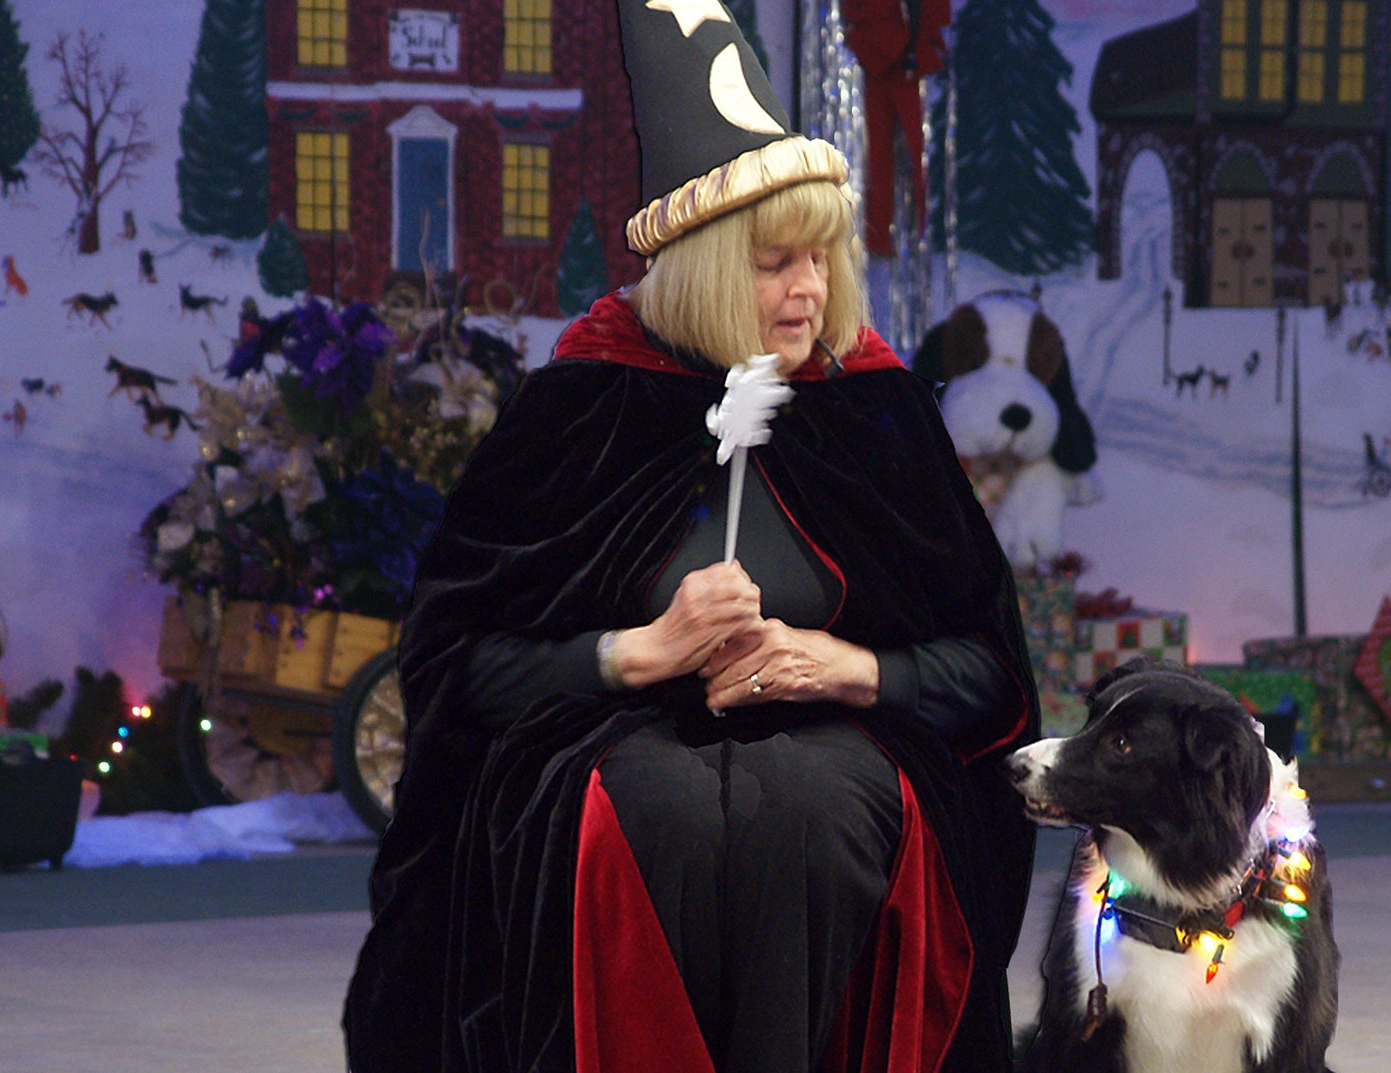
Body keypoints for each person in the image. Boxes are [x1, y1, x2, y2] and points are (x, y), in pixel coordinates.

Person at [342, 4, 1039, 1071]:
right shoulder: (585, 402)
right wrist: (631, 653)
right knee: (653, 811)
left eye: (820, 258)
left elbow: (988, 673)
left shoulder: (872, 410)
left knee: (813, 811)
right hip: (607, 743)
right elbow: (456, 671)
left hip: (840, 747)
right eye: (773, 263)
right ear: (707, 262)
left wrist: (854, 668)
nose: (808, 290)